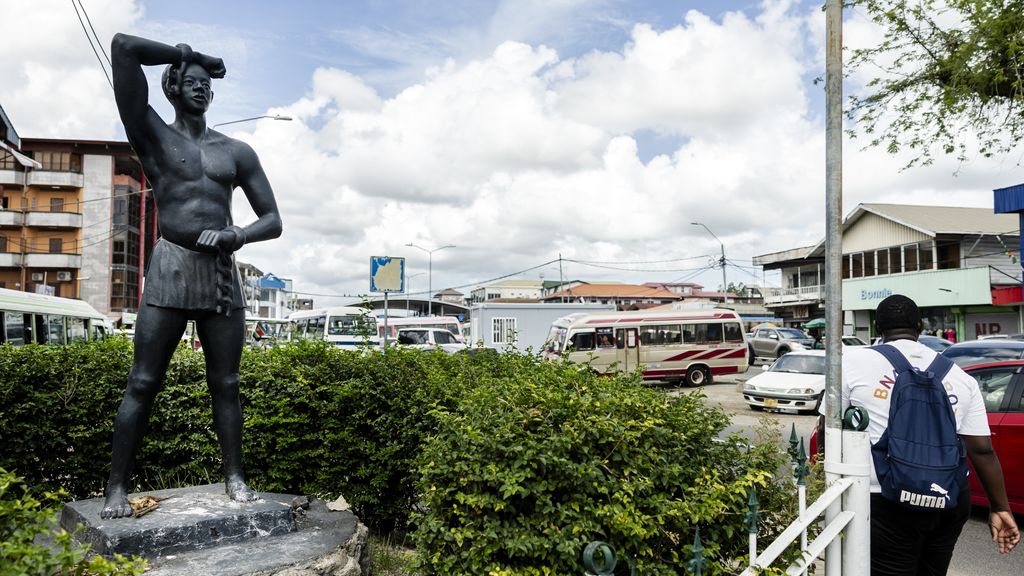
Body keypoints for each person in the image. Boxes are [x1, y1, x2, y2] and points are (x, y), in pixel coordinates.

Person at [101, 33, 283, 519]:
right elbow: (122, 47)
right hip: (171, 265)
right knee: (143, 381)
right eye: (191, 82)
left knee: (226, 383)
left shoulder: (236, 151)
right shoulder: (152, 134)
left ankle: (235, 477)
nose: (201, 88)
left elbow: (272, 219)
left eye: (206, 83)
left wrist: (237, 236)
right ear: (172, 89)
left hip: (221, 272)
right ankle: (116, 488)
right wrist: (188, 55)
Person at [841, 294, 1019, 574]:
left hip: (885, 498)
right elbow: (982, 449)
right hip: (949, 498)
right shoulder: (960, 376)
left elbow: (828, 428)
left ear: (878, 328)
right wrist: (1000, 508)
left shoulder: (851, 362)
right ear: (920, 326)